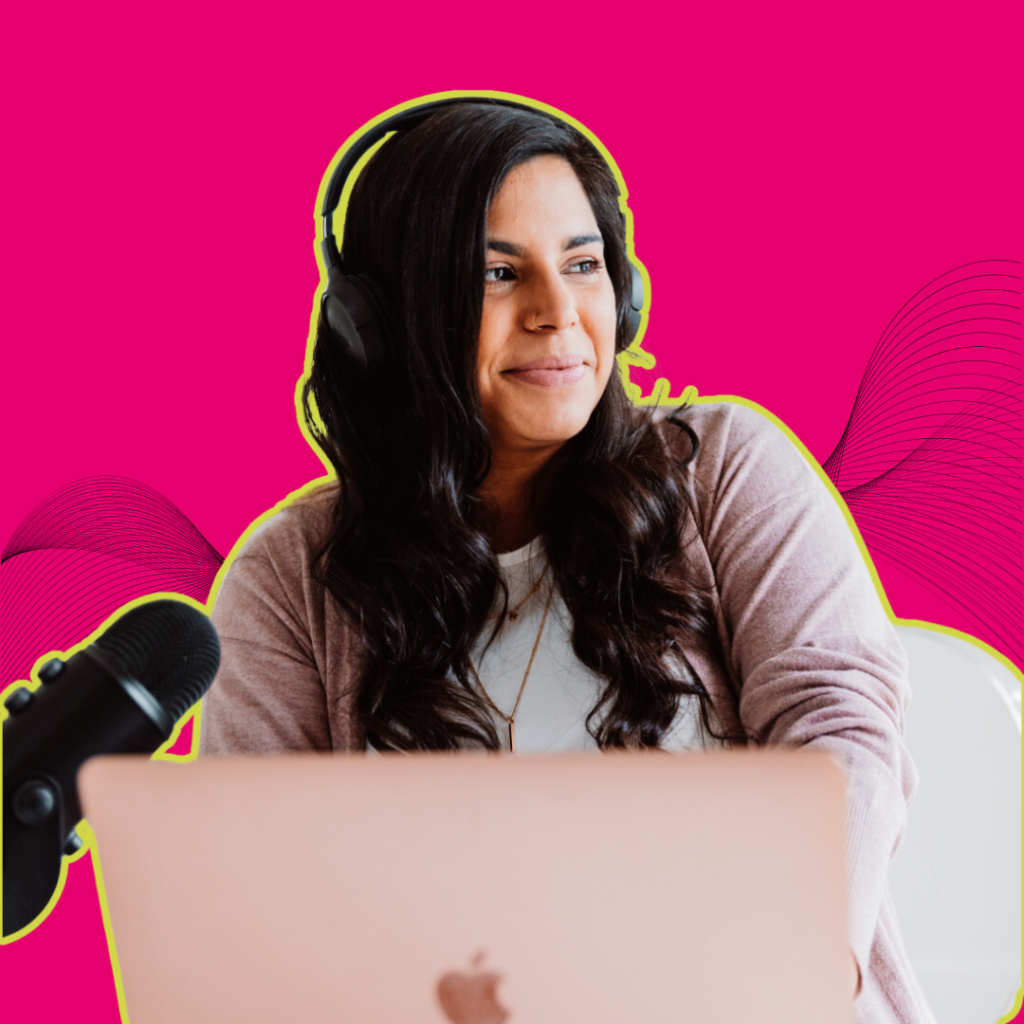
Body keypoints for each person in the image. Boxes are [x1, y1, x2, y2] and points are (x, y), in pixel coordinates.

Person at [199, 98, 935, 1022]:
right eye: (499, 273)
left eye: (583, 265)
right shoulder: (290, 581)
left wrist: (774, 968)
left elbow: (844, 734)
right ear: (378, 325)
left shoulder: (727, 473)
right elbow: (262, 909)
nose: (558, 313)